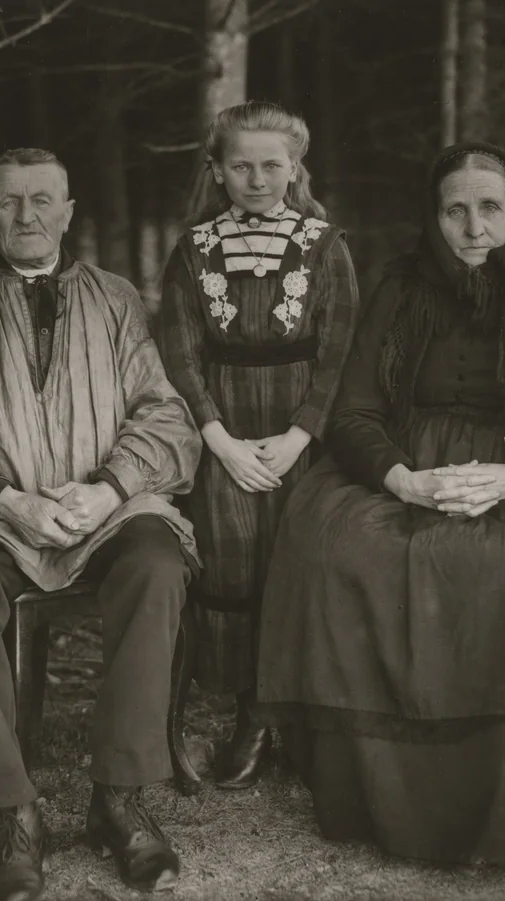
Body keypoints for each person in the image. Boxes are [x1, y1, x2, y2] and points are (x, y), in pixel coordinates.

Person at [255, 141, 505, 865]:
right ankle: (366, 788)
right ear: (435, 216)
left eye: (490, 208)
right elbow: (355, 411)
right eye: (456, 211)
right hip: (404, 458)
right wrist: (402, 480)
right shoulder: (399, 287)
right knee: (337, 543)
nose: (474, 227)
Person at [0, 148, 201, 901]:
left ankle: (119, 799)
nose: (26, 216)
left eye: (42, 201)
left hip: (103, 509)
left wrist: (108, 488)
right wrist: (4, 497)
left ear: (68, 212)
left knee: (158, 560)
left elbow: (164, 413)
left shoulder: (117, 298)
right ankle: (10, 811)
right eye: (8, 201)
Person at [158, 101, 359, 788]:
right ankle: (251, 709)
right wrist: (220, 441)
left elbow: (338, 351)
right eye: (240, 164)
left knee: (301, 560)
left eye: (272, 164)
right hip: (224, 428)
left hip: (302, 426)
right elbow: (180, 353)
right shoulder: (194, 248)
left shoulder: (325, 245)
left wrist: (301, 433)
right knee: (233, 560)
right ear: (216, 169)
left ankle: (299, 709)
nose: (257, 177)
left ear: (295, 167)